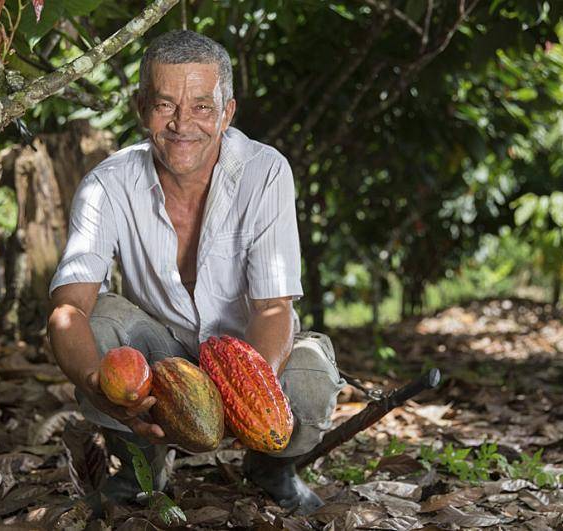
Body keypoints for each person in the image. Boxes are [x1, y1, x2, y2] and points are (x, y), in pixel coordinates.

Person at [46, 29, 344, 515]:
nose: (183, 124)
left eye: (203, 107)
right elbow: (68, 308)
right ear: (142, 108)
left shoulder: (264, 171)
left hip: (247, 353)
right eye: (165, 105)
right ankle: (141, 468)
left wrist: (243, 394)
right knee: (95, 326)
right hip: (163, 358)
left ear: (227, 113)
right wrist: (99, 384)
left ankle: (272, 470)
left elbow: (272, 308)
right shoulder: (108, 184)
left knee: (310, 381)